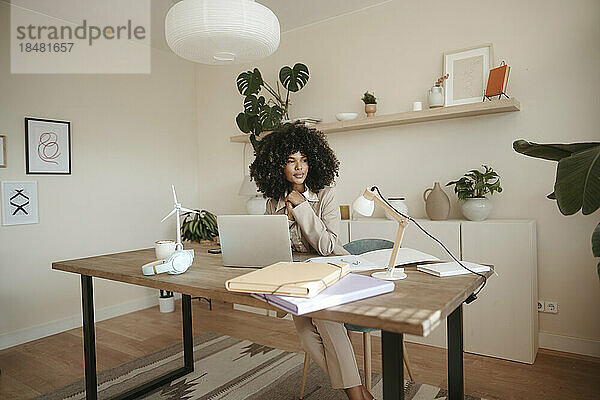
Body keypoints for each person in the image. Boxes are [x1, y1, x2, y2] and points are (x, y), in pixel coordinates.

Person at [250, 123, 374, 400]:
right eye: (291, 161)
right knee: (306, 337)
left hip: (331, 274)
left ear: (314, 162)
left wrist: (302, 207)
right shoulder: (273, 201)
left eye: (304, 160)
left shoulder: (326, 196)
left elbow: (328, 246)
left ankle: (355, 395)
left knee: (327, 324)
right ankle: (361, 392)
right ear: (278, 167)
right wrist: (286, 214)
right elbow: (274, 248)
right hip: (297, 279)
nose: (299, 167)